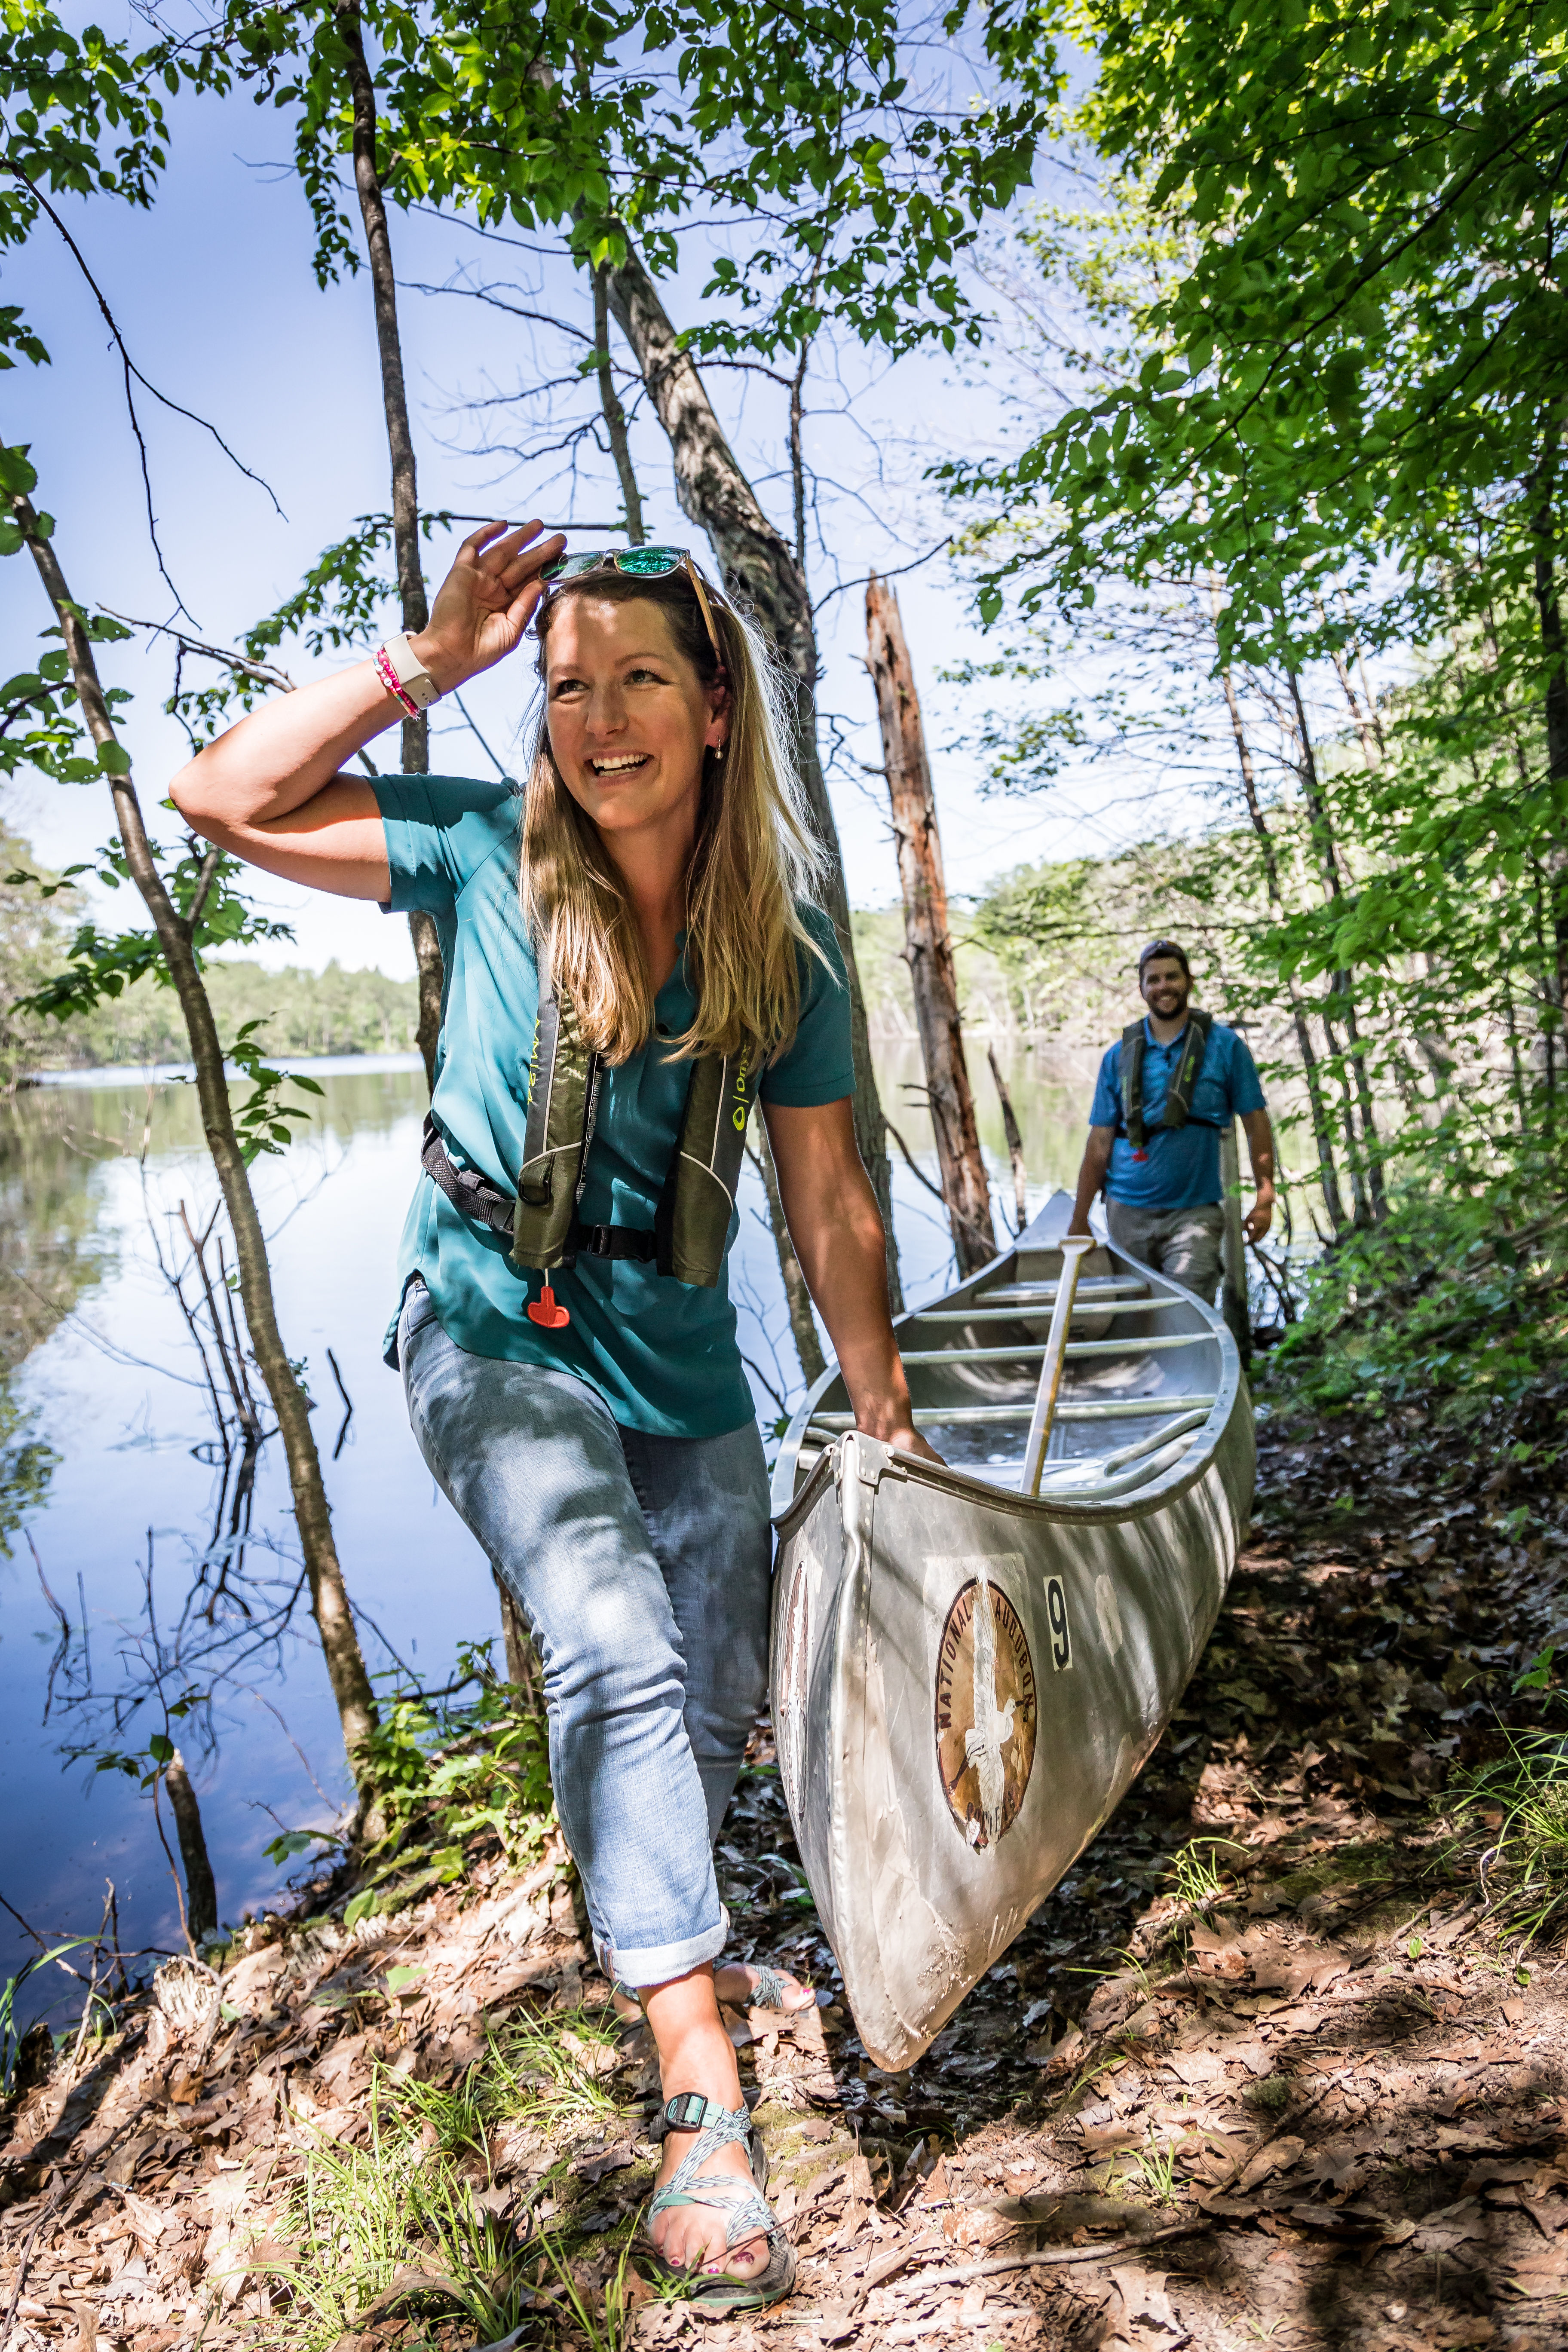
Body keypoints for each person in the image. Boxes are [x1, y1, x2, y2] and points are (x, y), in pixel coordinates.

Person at [168, 523, 940, 2312]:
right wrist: (426, 662)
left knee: (718, 1678)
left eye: (639, 678)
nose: (597, 717)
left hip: (676, 1354)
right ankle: (702, 2099)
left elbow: (831, 1204)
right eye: (567, 684)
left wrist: (883, 1412)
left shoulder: (782, 947)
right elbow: (218, 796)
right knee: (611, 1637)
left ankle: (671, 1929)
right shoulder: (478, 848)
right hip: (486, 1331)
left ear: (716, 708)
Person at [1068, 940, 1275, 1302]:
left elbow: (1256, 1123)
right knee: (1134, 1314)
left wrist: (1265, 1198)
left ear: (1190, 982)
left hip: (1194, 1214)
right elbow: (1099, 1143)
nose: (1163, 986)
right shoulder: (1118, 1056)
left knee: (1189, 1310)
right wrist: (1079, 1218)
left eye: (1172, 977)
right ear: (1142, 989)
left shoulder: (1226, 1047)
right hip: (1126, 1212)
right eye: (1154, 980)